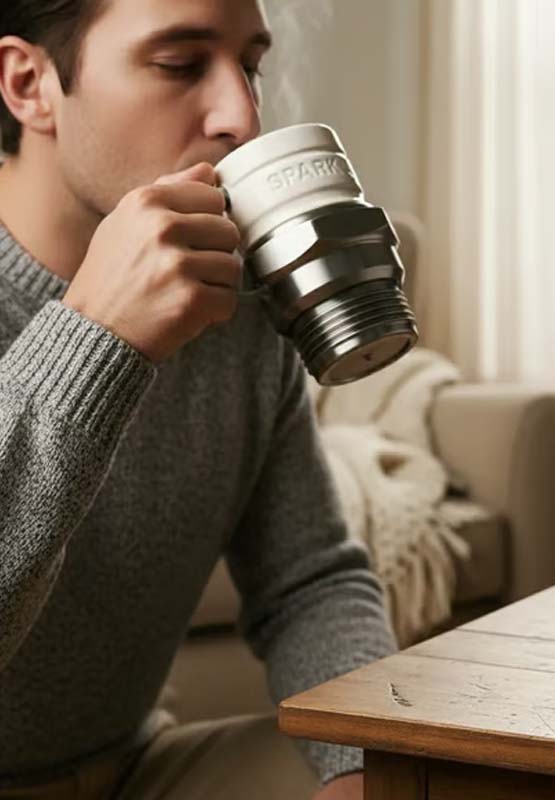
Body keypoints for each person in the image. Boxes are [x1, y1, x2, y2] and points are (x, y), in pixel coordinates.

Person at [0, 1, 398, 798]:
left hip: (137, 767)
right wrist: (96, 337)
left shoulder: (240, 303)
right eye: (180, 65)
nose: (241, 116)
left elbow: (310, 582)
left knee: (426, 779)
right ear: (30, 83)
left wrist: (361, 768)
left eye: (250, 65)